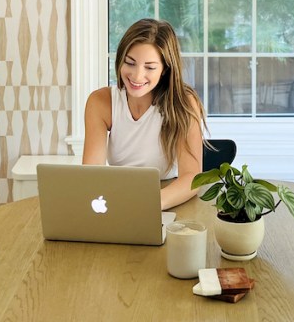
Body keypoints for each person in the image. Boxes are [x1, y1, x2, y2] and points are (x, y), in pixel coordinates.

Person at [82, 18, 207, 210]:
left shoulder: (184, 103)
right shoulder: (101, 102)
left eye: (149, 67)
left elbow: (192, 178)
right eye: (130, 63)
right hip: (118, 197)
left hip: (171, 197)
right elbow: (91, 175)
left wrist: (147, 204)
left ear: (165, 69)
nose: (137, 76)